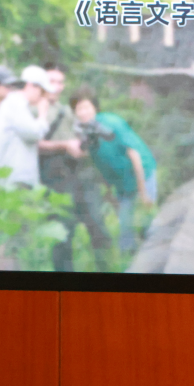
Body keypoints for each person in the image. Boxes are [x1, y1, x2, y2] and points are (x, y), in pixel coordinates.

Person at [38, 63, 111, 272]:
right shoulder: (34, 108)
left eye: (60, 82)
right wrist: (65, 145)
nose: (56, 86)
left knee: (97, 225)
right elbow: (31, 144)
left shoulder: (66, 110)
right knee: (63, 234)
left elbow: (80, 136)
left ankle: (108, 272)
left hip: (78, 173)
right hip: (53, 177)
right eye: (52, 81)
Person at [69, 87, 157, 255]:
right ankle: (129, 259)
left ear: (95, 107)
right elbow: (101, 163)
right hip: (122, 183)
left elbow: (134, 155)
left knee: (147, 222)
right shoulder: (86, 133)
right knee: (126, 227)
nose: (83, 112)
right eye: (79, 109)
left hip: (142, 173)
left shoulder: (111, 123)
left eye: (86, 107)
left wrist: (143, 193)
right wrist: (110, 192)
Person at [0, 65, 51, 188]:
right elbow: (33, 133)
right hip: (13, 181)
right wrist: (43, 115)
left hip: (16, 179)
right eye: (42, 91)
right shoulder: (15, 103)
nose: (43, 97)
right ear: (31, 86)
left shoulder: (19, 105)